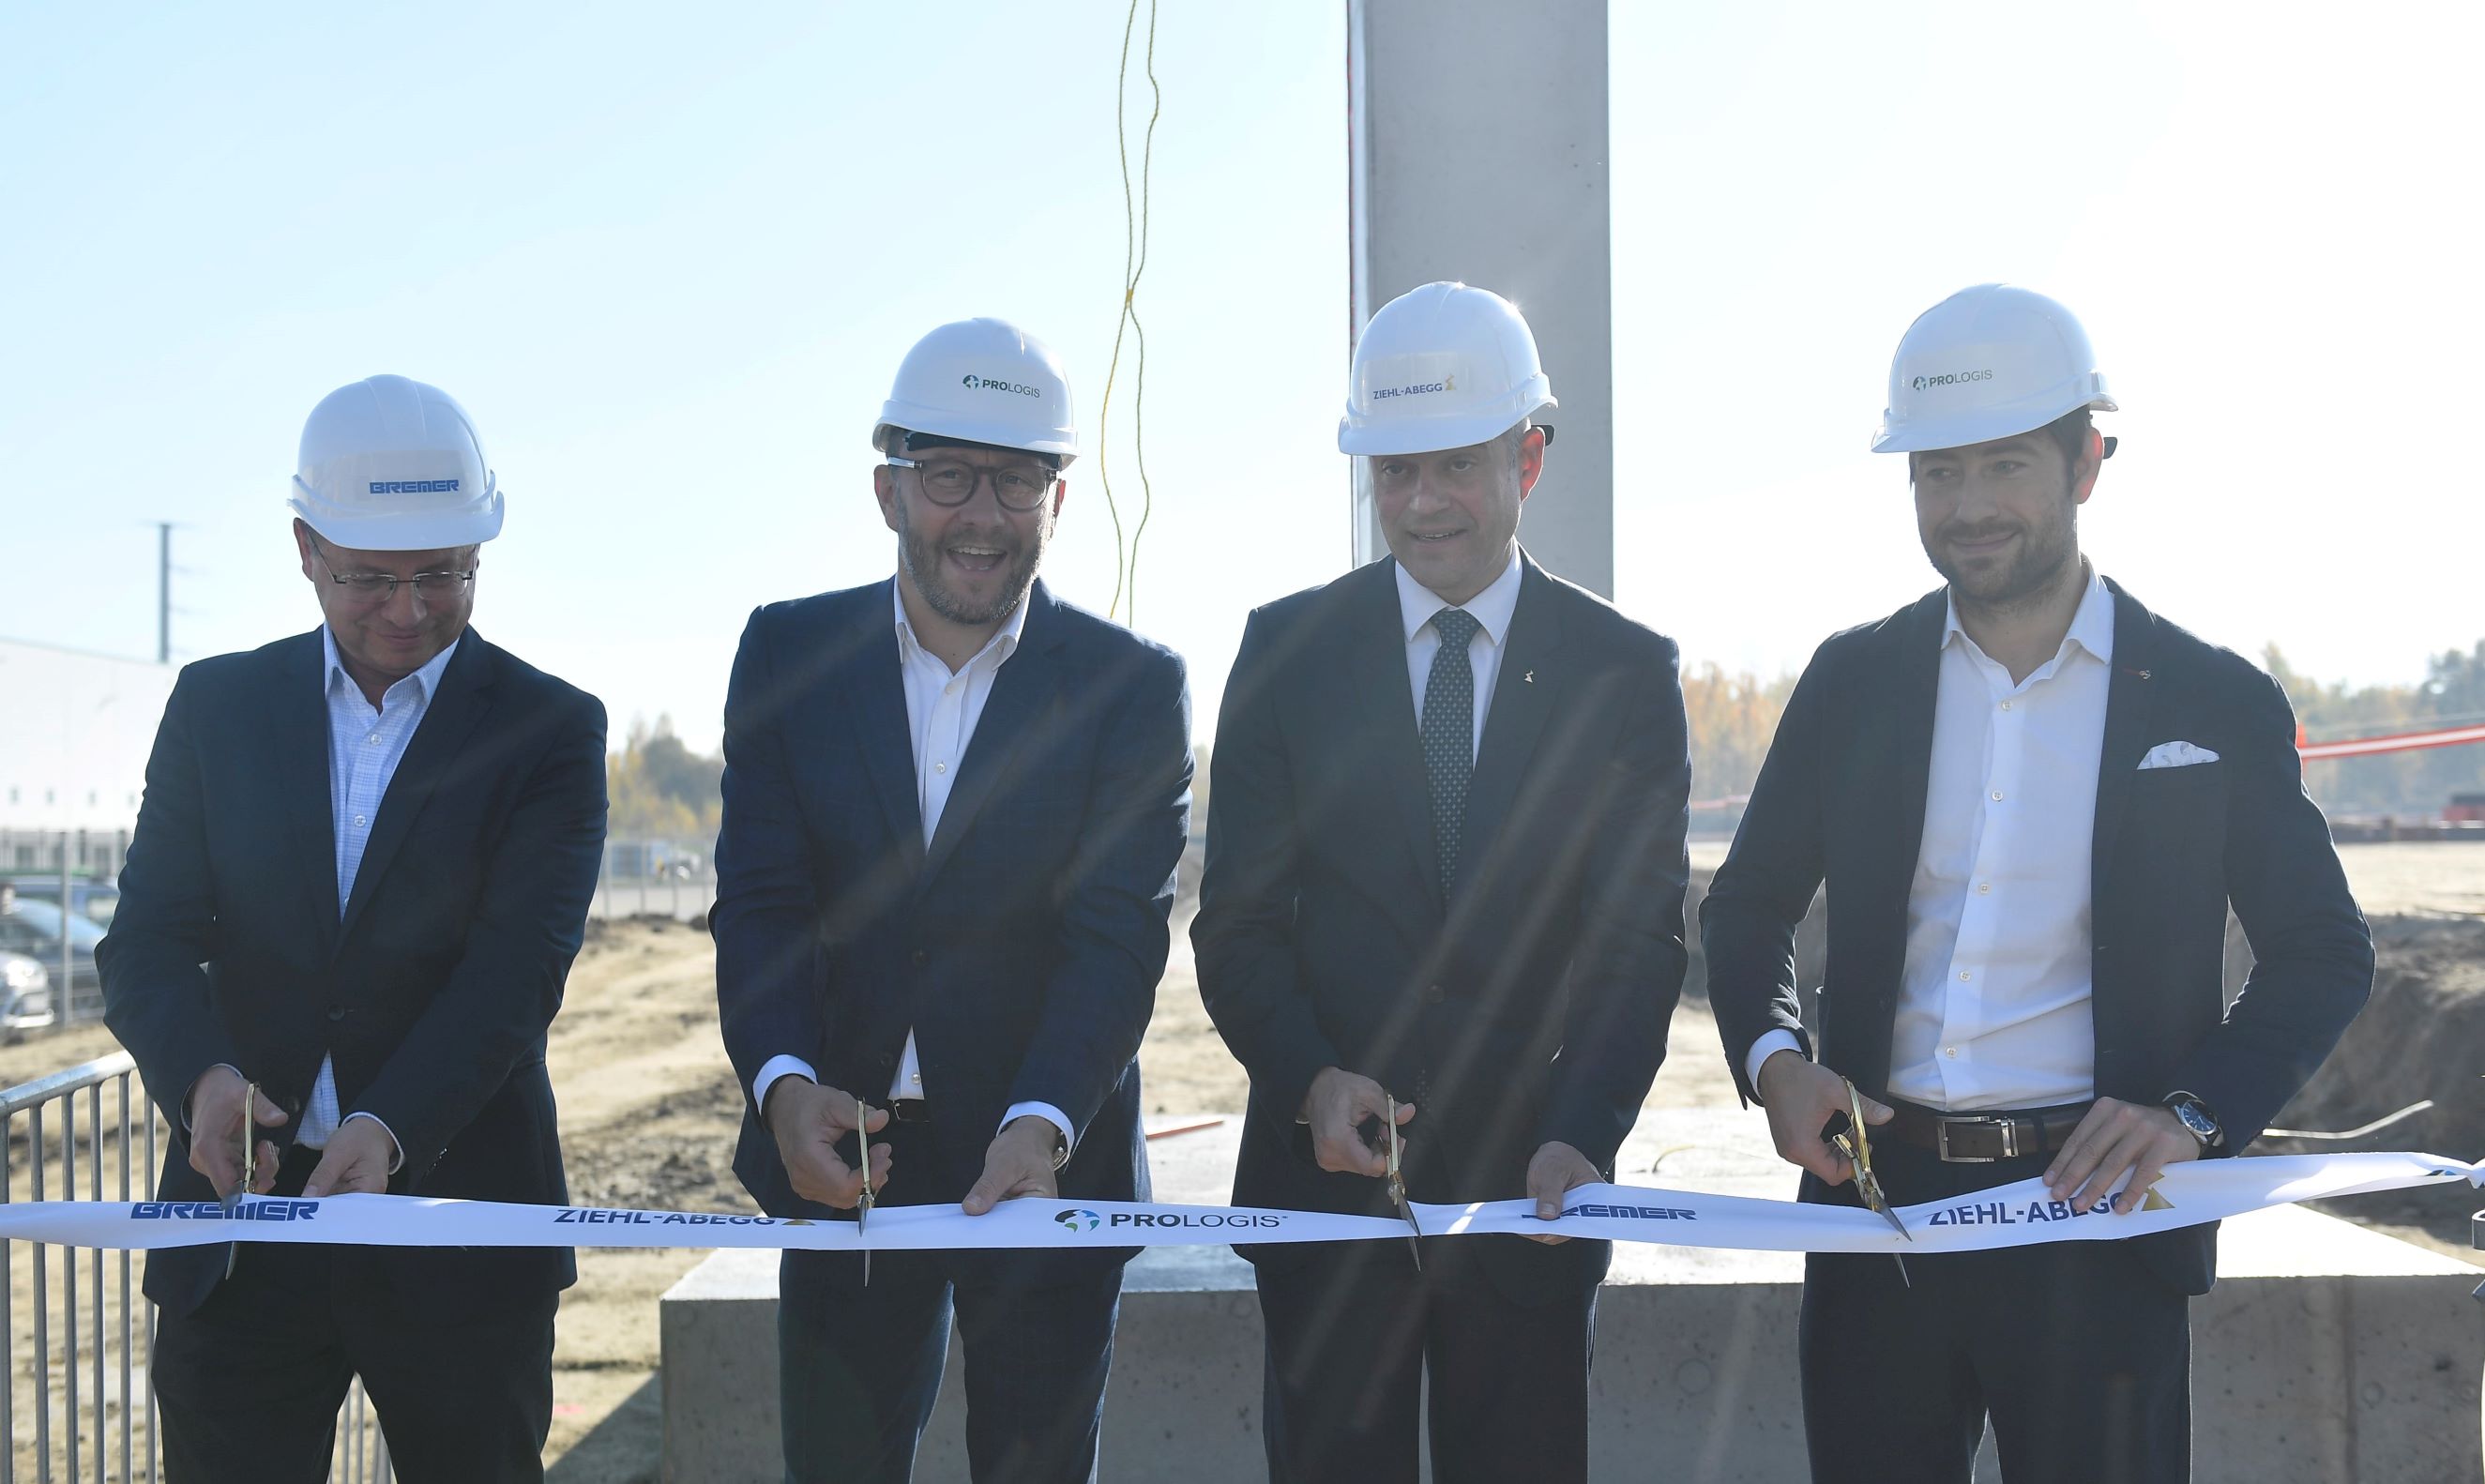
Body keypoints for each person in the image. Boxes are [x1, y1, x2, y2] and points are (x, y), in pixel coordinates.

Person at [1702, 283, 2373, 1483]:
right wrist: (1776, 1059)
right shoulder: (1851, 685)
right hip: (1878, 1213)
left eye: (2004, 465)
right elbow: (1746, 910)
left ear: (2088, 463)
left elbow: (2325, 949)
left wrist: (2196, 1114)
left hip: (2100, 1225)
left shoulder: (2212, 700)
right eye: (1937, 472)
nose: (1967, 507)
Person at [1192, 281, 1691, 1484]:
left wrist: (1585, 1133)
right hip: (1325, 1202)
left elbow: (1639, 947)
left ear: (1529, 454)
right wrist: (1310, 1076)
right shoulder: (1284, 653)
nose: (1421, 505)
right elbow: (1238, 926)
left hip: (1532, 1205)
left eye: (1455, 467)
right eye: (1394, 470)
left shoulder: (1624, 674)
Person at [98, 374, 609, 1481]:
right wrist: (201, 1085)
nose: (410, 609)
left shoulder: (550, 731)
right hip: (242, 1236)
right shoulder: (217, 709)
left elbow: (516, 973)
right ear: (304, 546)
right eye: (372, 578)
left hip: (460, 1222)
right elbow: (144, 942)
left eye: (444, 574)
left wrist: (388, 1123)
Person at [711, 318, 1192, 1484]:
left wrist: (1044, 1119)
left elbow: (1116, 936)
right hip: (844, 1159)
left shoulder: (1131, 689)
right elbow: (761, 903)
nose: (982, 512)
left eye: (1018, 477)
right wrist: (780, 1086)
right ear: (889, 489)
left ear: (1058, 497)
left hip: (1043, 1166)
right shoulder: (789, 656)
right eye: (948, 475)